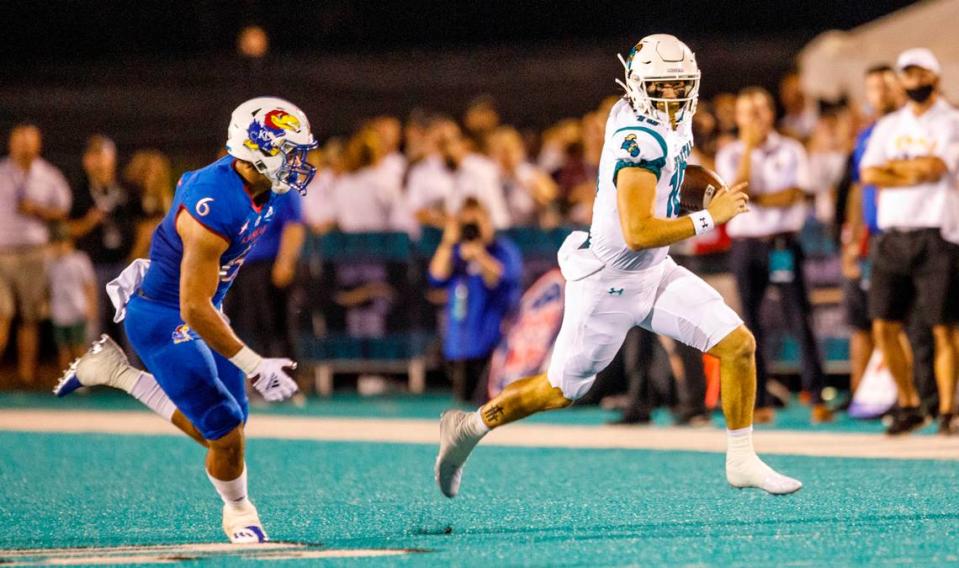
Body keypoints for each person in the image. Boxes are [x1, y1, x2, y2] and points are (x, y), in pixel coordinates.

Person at [434, 34, 802, 500]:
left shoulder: (654, 118)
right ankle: (469, 427)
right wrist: (712, 216)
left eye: (680, 85)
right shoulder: (637, 138)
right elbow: (639, 231)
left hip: (653, 271)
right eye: (662, 87)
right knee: (558, 390)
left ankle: (742, 459)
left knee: (738, 345)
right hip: (609, 282)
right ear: (637, 84)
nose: (673, 96)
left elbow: (676, 167)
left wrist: (707, 187)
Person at [54, 97, 316, 543]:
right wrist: (255, 364)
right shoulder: (215, 205)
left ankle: (118, 373)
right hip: (165, 316)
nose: (298, 163)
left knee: (232, 425)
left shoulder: (261, 188)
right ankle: (240, 514)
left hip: (203, 308)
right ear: (258, 151)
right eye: (290, 152)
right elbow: (192, 306)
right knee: (227, 434)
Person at [716, 87, 832, 424]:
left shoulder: (792, 148)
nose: (755, 117)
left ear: (772, 113)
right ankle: (760, 398)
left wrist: (758, 198)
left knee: (800, 317)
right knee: (750, 324)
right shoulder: (731, 153)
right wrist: (750, 148)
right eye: (747, 111)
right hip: (746, 245)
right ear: (737, 117)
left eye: (761, 109)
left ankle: (816, 393)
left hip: (783, 242)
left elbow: (795, 194)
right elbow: (739, 191)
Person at [860, 48, 959, 435]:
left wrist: (894, 170)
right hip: (893, 232)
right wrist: (911, 171)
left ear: (934, 77)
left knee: (943, 326)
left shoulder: (951, 120)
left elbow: (937, 168)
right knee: (883, 324)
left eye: (920, 75)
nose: (914, 82)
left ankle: (949, 408)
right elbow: (869, 173)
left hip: (936, 231)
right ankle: (909, 402)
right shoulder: (889, 125)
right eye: (908, 75)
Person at [841, 65, 905, 396]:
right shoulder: (865, 136)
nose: (880, 93)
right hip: (874, 237)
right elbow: (856, 189)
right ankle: (864, 395)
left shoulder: (911, 129)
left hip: (906, 232)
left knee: (918, 322)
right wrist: (852, 239)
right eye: (874, 87)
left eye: (886, 86)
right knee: (873, 320)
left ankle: (923, 396)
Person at [428, 198, 522, 402]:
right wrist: (448, 241)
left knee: (488, 402)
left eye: (476, 223)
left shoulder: (502, 250)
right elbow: (436, 277)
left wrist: (479, 254)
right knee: (464, 403)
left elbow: (501, 279)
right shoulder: (456, 253)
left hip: (492, 344)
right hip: (459, 345)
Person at [0, 123, 72, 385]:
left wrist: (39, 210)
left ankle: (25, 376)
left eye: (29, 142)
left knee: (30, 319)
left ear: (38, 145)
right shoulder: (2, 172)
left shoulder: (49, 175)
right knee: (2, 314)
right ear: (11, 143)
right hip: (2, 254)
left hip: (34, 253)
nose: (24, 146)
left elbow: (64, 209)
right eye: (20, 141)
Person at [68, 135, 144, 340]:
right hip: (92, 265)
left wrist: (135, 255)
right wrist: (88, 222)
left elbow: (144, 223)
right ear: (86, 161)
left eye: (104, 155)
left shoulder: (127, 188)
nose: (101, 162)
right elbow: (67, 229)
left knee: (130, 320)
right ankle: (99, 370)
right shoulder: (79, 191)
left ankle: (133, 368)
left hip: (124, 262)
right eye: (95, 156)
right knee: (95, 321)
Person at [47, 223, 97, 371]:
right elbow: (49, 286)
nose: (58, 247)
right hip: (59, 312)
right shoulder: (51, 263)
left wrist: (91, 306)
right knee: (63, 347)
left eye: (61, 242)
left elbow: (89, 285)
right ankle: (66, 377)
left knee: (78, 345)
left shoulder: (79, 260)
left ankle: (81, 379)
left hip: (77, 310)